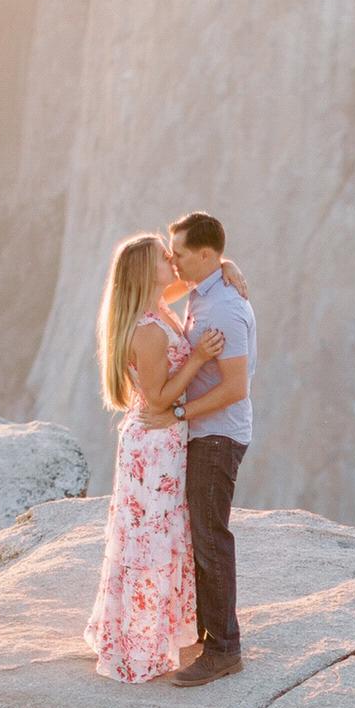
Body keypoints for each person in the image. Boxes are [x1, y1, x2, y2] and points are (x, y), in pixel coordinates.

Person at [83, 230, 245, 683]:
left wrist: (224, 266)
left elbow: (192, 279)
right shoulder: (150, 330)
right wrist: (197, 359)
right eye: (162, 256)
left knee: (162, 535)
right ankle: (140, 644)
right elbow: (157, 400)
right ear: (145, 272)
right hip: (154, 444)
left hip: (160, 441)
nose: (172, 259)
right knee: (150, 540)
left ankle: (156, 630)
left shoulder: (155, 306)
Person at [164, 210, 257, 688]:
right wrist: (226, 264)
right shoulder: (203, 290)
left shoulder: (223, 309)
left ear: (203, 254)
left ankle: (224, 649)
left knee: (210, 537)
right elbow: (154, 288)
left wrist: (180, 413)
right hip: (205, 433)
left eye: (178, 254)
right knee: (200, 534)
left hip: (217, 436)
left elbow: (236, 388)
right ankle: (208, 634)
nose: (171, 261)